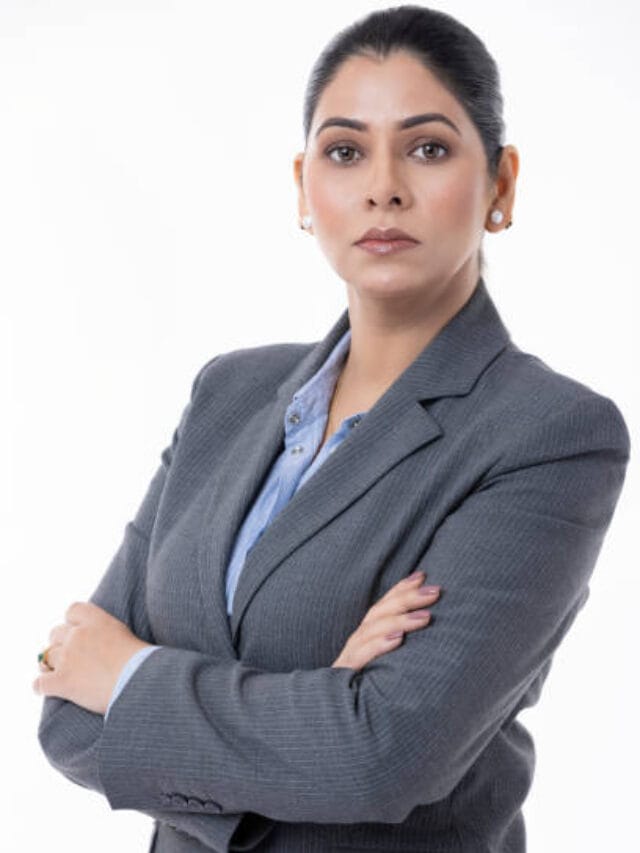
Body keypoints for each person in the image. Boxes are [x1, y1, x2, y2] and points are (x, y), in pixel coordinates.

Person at [34, 5, 630, 852]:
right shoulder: (228, 393)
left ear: (500, 185)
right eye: (345, 150)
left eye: (428, 148)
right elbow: (63, 711)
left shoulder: (551, 433)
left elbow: (383, 758)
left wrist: (131, 677)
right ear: (303, 188)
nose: (382, 185)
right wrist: (319, 701)